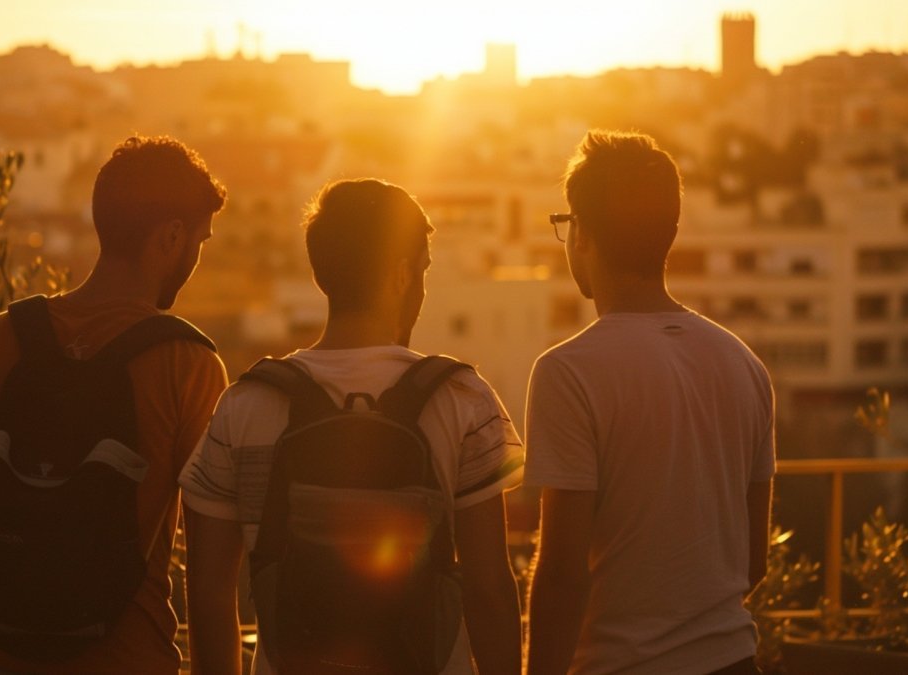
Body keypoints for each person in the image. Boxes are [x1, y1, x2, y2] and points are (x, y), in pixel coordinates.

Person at [179, 178, 524, 675]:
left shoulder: (246, 405)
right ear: (402, 275)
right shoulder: (461, 399)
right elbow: (489, 589)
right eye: (423, 270)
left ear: (324, 274)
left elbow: (211, 594)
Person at [0, 136, 228, 675]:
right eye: (199, 241)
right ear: (171, 236)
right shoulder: (188, 363)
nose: (196, 257)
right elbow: (208, 576)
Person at [525, 131, 774, 675]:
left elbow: (564, 574)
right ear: (671, 234)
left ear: (582, 234)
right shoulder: (744, 365)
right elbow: (753, 561)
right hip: (734, 659)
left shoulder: (568, 373)